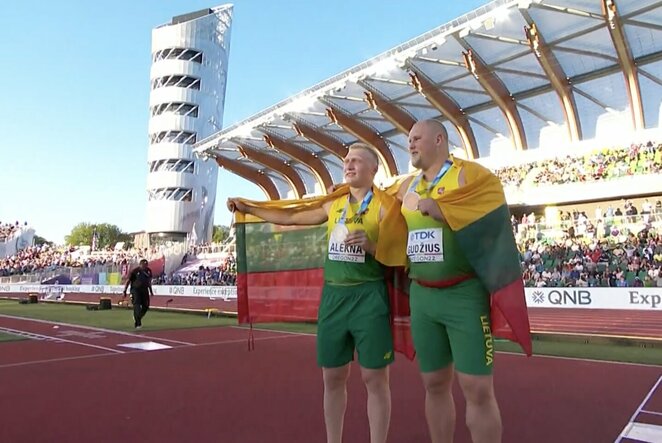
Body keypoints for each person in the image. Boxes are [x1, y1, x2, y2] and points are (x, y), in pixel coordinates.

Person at [227, 143, 394, 443]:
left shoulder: (386, 206)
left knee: (375, 378)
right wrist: (250, 207)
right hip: (333, 298)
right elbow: (291, 216)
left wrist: (371, 246)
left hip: (369, 297)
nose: (349, 164)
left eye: (357, 160)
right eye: (346, 160)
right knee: (332, 377)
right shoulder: (334, 203)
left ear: (373, 169)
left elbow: (399, 254)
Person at [398, 119, 502, 443]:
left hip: (464, 294)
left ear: (439, 139)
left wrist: (442, 210)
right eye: (409, 139)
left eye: (417, 138)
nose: (410, 144)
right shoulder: (405, 187)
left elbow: (493, 218)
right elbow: (369, 202)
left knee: (478, 389)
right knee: (434, 384)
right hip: (423, 297)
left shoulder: (469, 175)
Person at [123, 259, 154, 329]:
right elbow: (128, 281)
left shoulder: (149, 271)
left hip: (145, 290)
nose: (145, 267)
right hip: (135, 290)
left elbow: (149, 282)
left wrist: (151, 291)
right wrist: (124, 291)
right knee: (137, 305)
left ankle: (138, 317)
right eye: (143, 265)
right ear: (140, 265)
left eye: (146, 265)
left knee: (146, 306)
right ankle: (138, 323)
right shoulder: (135, 271)